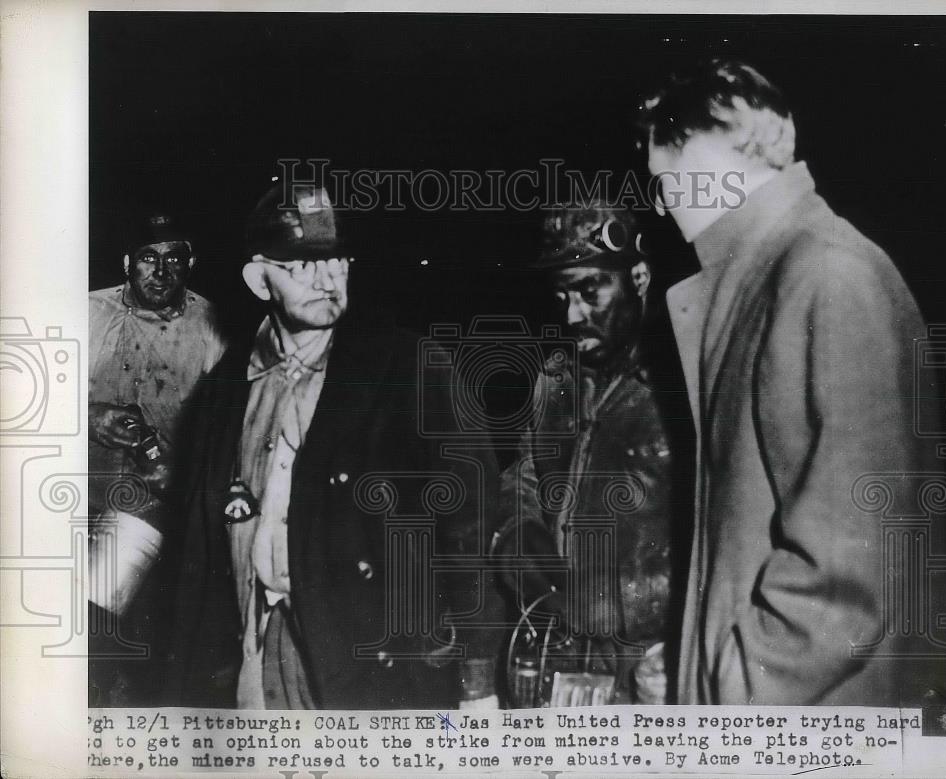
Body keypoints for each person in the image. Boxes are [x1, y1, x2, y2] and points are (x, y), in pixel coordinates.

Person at [636, 58, 946, 706]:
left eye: (662, 182)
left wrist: (734, 684)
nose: (663, 208)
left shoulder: (826, 274)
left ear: (701, 158)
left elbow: (848, 575)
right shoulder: (775, 273)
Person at [164, 180, 501, 709]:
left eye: (338, 260)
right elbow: (196, 557)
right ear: (259, 279)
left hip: (371, 663)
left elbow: (470, 526)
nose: (327, 279)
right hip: (255, 647)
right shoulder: (221, 393)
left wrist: (477, 676)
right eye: (301, 265)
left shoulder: (409, 369)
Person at [494, 202, 691, 705]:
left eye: (589, 291)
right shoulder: (556, 379)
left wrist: (668, 633)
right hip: (559, 657)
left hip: (651, 663)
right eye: (560, 295)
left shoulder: (684, 383)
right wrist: (526, 555)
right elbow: (521, 482)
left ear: (639, 278)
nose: (571, 314)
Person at [88, 209, 226, 706]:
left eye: (175, 259)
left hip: (153, 507)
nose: (161, 271)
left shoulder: (212, 326)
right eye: (149, 258)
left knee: (103, 620)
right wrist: (89, 415)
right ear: (128, 262)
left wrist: (185, 468)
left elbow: (230, 427)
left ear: (192, 264)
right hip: (71, 493)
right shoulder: (84, 312)